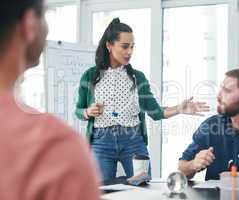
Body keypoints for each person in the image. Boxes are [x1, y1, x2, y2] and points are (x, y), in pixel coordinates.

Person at [75, 18, 209, 181]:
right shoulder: (90, 76)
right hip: (101, 142)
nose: (129, 52)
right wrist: (88, 111)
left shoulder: (137, 77)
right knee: (101, 191)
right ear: (109, 46)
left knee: (142, 187)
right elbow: (78, 110)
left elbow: (155, 111)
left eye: (132, 47)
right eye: (125, 46)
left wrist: (179, 108)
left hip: (132, 140)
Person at [0, 1, 100, 199]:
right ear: (30, 24)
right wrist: (87, 112)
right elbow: (79, 109)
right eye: (46, 15)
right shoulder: (55, 147)